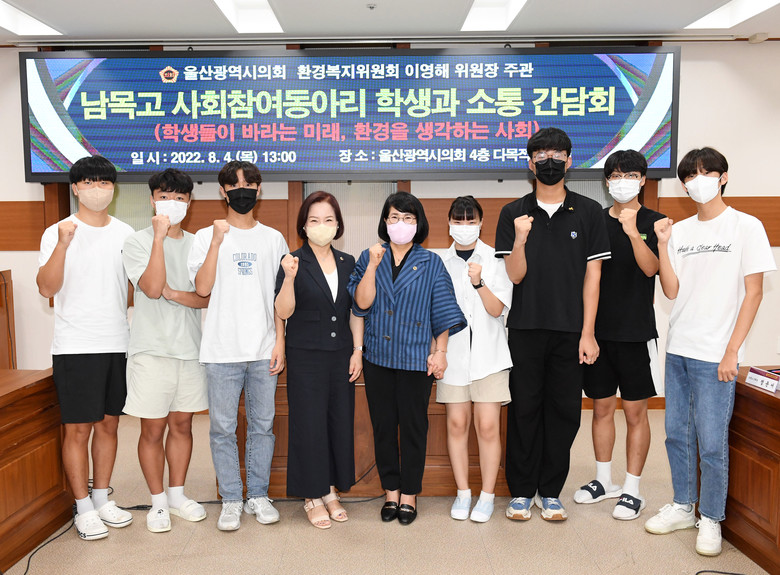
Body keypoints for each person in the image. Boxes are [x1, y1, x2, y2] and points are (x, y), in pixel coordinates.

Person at [644, 147, 776, 556]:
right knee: (676, 434)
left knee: (712, 442)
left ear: (722, 177)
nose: (696, 181)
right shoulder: (679, 231)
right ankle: (684, 505)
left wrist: (732, 351)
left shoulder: (746, 226)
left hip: (717, 353)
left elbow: (753, 293)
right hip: (679, 349)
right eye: (689, 176)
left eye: (705, 173)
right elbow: (671, 291)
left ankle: (711, 518)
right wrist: (662, 245)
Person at [495, 127, 610, 521]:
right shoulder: (513, 212)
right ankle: (521, 491)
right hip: (525, 328)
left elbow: (593, 276)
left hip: (571, 331)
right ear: (530, 163)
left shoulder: (590, 211)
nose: (549, 161)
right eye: (541, 155)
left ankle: (550, 491)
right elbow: (514, 275)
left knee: (564, 412)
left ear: (569, 160)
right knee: (524, 409)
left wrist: (588, 332)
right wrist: (520, 239)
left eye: (556, 154)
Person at [348, 192, 466, 525]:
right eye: (395, 217)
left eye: (409, 218)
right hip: (378, 357)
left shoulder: (431, 262)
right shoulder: (369, 256)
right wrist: (372, 266)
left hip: (416, 359)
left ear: (419, 223)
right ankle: (391, 492)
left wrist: (441, 352)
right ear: (385, 222)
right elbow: (361, 304)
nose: (401, 224)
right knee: (383, 427)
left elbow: (442, 311)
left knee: (414, 427)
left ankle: (410, 493)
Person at [36, 155, 135, 540]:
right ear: (76, 187)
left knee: (109, 424)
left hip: (117, 342)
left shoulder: (125, 232)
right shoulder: (57, 231)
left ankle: (101, 497)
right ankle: (82, 507)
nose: (98, 189)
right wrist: (63, 245)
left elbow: (133, 288)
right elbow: (47, 288)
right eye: (90, 182)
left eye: (105, 182)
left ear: (114, 188)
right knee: (77, 429)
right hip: (75, 345)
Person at [187, 161, 288, 531]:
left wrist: (280, 341)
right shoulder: (205, 236)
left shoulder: (274, 239)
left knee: (263, 426)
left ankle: (257, 495)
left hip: (263, 350)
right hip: (221, 351)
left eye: (249, 185)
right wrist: (217, 241)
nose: (242, 191)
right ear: (222, 191)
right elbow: (202, 288)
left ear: (259, 190)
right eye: (234, 186)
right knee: (222, 429)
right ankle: (231, 499)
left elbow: (281, 298)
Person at [573, 150, 665, 520]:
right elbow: (586, 276)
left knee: (636, 411)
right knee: (600, 408)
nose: (621, 181)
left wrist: (631, 232)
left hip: (635, 331)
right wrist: (587, 332)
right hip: (598, 333)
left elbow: (652, 268)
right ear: (606, 181)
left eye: (629, 175)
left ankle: (632, 488)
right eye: (614, 175)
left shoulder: (654, 221)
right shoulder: (594, 220)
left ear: (642, 179)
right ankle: (603, 480)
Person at [122, 169, 210, 533]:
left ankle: (177, 495)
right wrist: (159, 238)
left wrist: (176, 294)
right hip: (150, 350)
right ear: (152, 200)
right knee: (153, 429)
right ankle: (157, 502)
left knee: (182, 425)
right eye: (163, 196)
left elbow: (205, 297)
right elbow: (152, 287)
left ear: (189, 203)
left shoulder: (197, 243)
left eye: (179, 198)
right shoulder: (137, 242)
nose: (171, 203)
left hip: (189, 349)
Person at [274, 191, 364, 530]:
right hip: (306, 356)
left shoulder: (348, 261)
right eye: (314, 220)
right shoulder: (292, 261)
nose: (321, 225)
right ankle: (311, 496)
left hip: (341, 355)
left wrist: (357, 350)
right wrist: (290, 278)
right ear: (303, 225)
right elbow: (283, 311)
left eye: (328, 219)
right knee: (309, 425)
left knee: (338, 423)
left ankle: (329, 490)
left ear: (338, 224)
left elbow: (355, 310)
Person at [438, 196, 513, 523]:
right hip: (452, 356)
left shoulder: (496, 259)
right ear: (449, 224)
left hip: (490, 357)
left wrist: (479, 282)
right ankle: (463, 492)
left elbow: (497, 310)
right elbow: (436, 312)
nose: (465, 226)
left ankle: (487, 496)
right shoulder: (440, 262)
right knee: (456, 424)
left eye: (471, 221)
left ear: (481, 223)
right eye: (459, 220)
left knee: (487, 426)